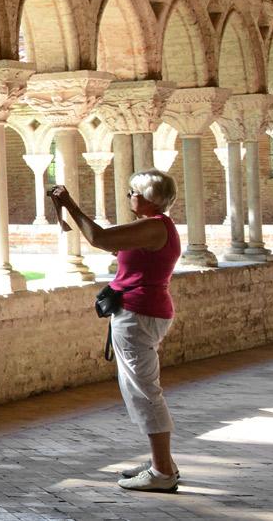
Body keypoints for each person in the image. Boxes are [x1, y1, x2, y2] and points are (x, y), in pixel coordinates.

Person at [48, 170, 182, 493]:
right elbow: (116, 247)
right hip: (143, 312)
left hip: (139, 315)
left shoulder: (154, 226)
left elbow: (100, 238)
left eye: (133, 192)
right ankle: (162, 462)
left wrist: (69, 204)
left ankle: (162, 472)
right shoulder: (153, 228)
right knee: (141, 388)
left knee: (144, 392)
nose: (129, 196)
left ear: (149, 198)